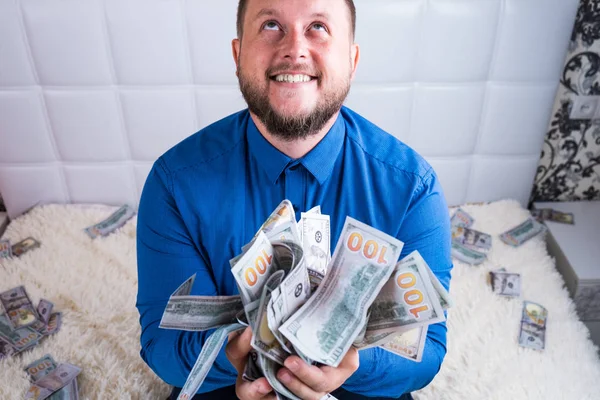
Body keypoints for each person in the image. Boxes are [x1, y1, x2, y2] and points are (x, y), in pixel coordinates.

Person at [136, 0, 453, 399]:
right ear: (237, 55)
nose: (294, 49)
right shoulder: (173, 184)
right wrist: (234, 354)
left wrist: (352, 362)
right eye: (271, 25)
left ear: (352, 60)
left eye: (318, 27)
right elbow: (163, 347)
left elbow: (426, 353)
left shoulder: (413, 188)